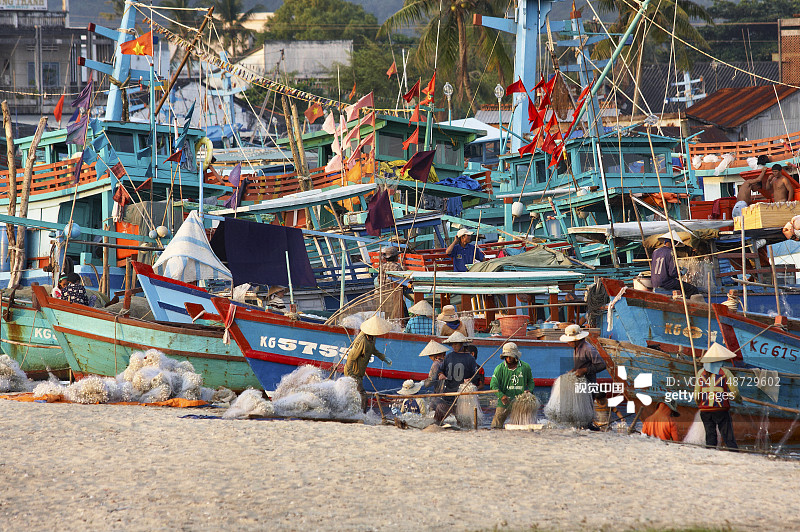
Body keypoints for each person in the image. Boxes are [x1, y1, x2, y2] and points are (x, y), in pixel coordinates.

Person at [693, 343, 740, 450]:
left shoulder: (700, 373)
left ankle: (710, 452)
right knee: (728, 436)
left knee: (710, 436)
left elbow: (696, 395)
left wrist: (700, 405)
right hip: (721, 409)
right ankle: (733, 452)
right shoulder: (725, 372)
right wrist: (738, 400)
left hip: (705, 411)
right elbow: (735, 392)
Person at [344, 315, 393, 412]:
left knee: (353, 394)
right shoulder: (362, 341)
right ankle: (362, 414)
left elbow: (373, 349)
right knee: (363, 395)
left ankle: (354, 412)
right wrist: (350, 374)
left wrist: (383, 358)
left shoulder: (372, 338)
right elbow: (351, 357)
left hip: (360, 373)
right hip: (353, 373)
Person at [432, 331, 481, 424]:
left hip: (461, 395)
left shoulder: (470, 359)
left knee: (462, 420)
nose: (454, 346)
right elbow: (441, 370)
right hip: (449, 392)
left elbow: (476, 376)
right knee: (438, 415)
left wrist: (470, 380)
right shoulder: (448, 357)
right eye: (452, 344)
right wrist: (441, 374)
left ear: (462, 344)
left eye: (456, 344)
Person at [489, 342, 535, 429]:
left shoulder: (525, 367)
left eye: (511, 356)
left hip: (520, 402)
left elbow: (531, 382)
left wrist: (530, 390)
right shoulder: (499, 368)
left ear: (516, 356)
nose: (509, 358)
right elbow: (493, 385)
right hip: (505, 402)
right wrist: (501, 396)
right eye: (507, 356)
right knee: (496, 425)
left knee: (522, 426)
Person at [650, 231, 700, 296]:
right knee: (692, 289)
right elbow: (672, 273)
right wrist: (681, 273)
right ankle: (687, 300)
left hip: (654, 282)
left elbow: (661, 266)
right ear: (672, 243)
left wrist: (677, 268)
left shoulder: (655, 251)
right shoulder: (671, 252)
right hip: (666, 282)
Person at [376, 246, 406, 320]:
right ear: (395, 257)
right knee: (401, 313)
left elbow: (379, 281)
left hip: (384, 294)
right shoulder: (397, 267)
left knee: (387, 315)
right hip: (394, 295)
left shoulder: (382, 267)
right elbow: (402, 282)